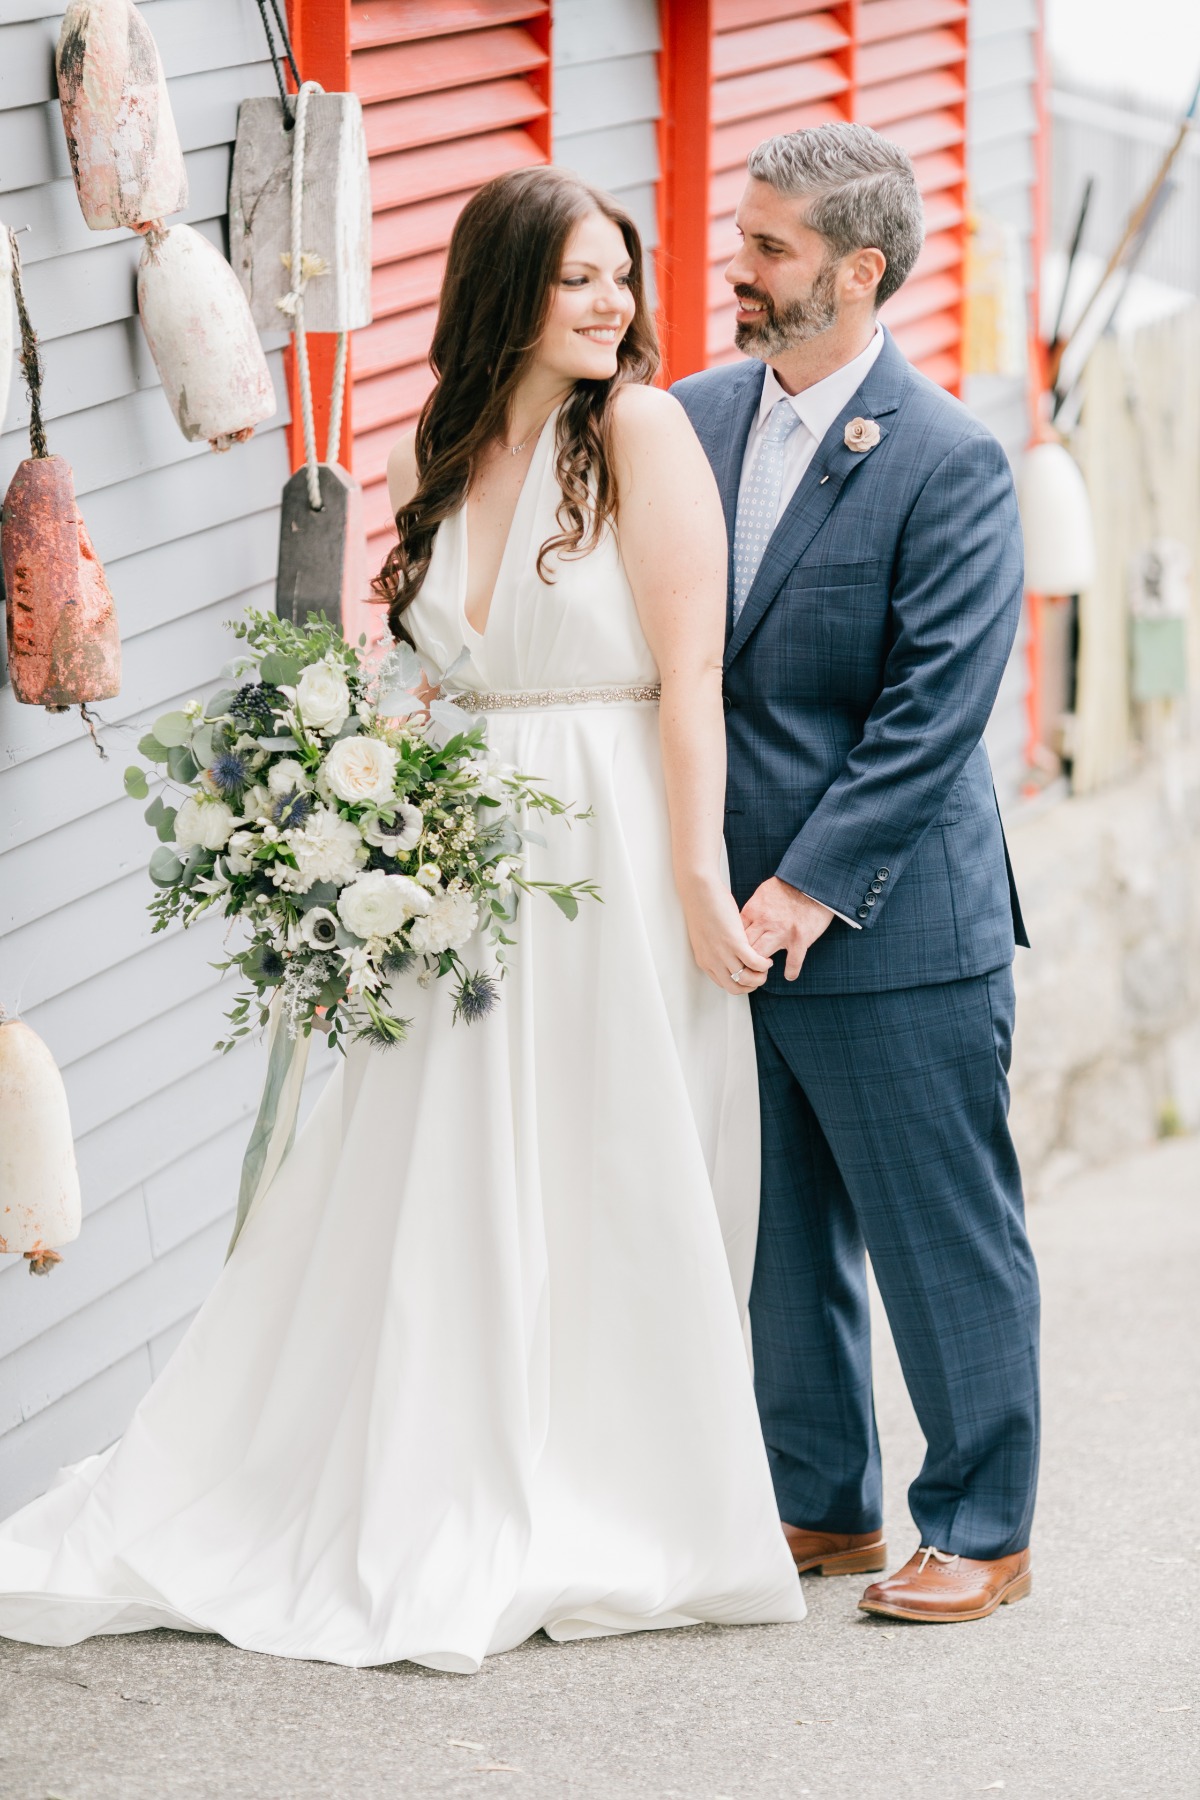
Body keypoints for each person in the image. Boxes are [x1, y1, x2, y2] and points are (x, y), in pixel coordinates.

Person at [0, 168, 803, 1669]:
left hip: (611, 836)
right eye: (576, 277)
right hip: (459, 855)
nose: (611, 303)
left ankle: (610, 1485)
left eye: (620, 275)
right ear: (505, 288)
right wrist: (344, 826)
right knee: (438, 1163)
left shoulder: (639, 431)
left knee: (608, 1154)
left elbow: (692, 676)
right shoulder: (432, 442)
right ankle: (422, 1453)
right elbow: (418, 676)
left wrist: (697, 868)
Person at [672, 123, 1040, 1624]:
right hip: (720, 913)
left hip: (891, 922)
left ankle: (983, 1524)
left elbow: (932, 712)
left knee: (939, 1230)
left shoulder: (952, 461)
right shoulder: (684, 418)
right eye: (743, 238)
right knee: (776, 1232)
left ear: (856, 268)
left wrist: (803, 887)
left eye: (767, 247)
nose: (737, 267)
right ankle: (818, 1505)